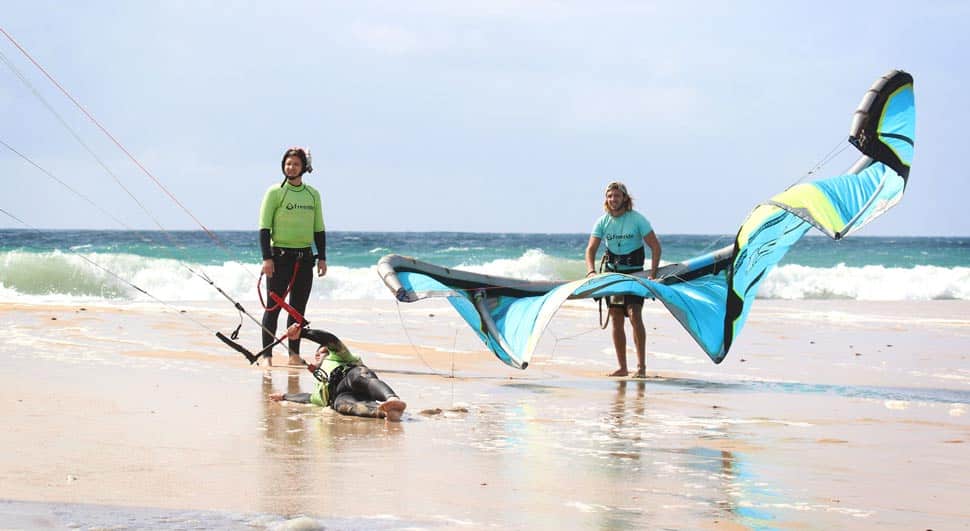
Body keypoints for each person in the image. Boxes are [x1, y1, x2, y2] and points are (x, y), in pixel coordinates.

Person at [584, 181, 662, 378]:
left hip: (635, 275)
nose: (613, 200)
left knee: (635, 315)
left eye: (617, 196)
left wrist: (653, 273)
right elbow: (590, 250)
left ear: (625, 198)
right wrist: (591, 272)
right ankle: (622, 367)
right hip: (614, 276)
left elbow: (655, 246)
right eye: (610, 196)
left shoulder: (637, 220)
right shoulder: (602, 222)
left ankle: (641, 367)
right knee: (616, 319)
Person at [258, 147, 327, 366]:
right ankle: (267, 355)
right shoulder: (275, 192)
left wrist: (322, 257)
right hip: (280, 258)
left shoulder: (312, 194)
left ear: (304, 167)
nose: (291, 167)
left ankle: (293, 355)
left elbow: (319, 229)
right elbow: (264, 228)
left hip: (305, 259)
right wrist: (266, 259)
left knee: (297, 310)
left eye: (296, 164)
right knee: (273, 307)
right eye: (288, 163)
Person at [269, 324, 407, 422]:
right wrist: (285, 396)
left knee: (359, 376)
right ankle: (386, 412)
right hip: (339, 396)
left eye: (323, 352)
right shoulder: (320, 385)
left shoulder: (340, 356)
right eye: (316, 354)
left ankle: (392, 399)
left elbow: (331, 340)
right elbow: (308, 398)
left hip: (350, 377)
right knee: (342, 406)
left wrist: (303, 333)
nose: (318, 355)